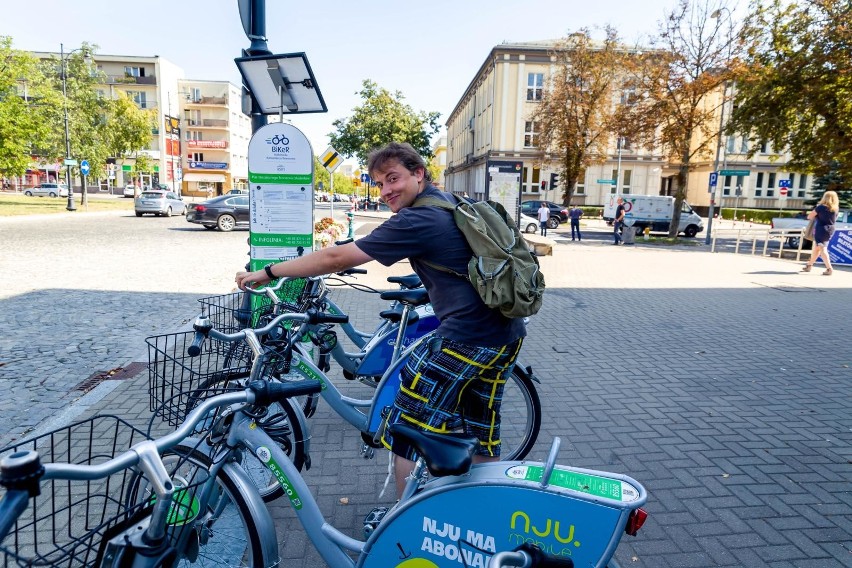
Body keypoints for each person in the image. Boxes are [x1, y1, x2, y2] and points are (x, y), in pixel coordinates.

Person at [235, 142, 526, 496]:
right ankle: (483, 503)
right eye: (379, 183)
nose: (386, 190)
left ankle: (403, 521)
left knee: (405, 424)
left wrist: (269, 271)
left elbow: (334, 258)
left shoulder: (419, 218)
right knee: (481, 426)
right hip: (505, 334)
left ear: (418, 173)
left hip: (466, 338)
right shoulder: (449, 203)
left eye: (393, 179)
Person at [802, 190, 839, 276]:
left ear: (825, 198)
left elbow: (809, 216)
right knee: (817, 248)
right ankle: (809, 265)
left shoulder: (821, 207)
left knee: (822, 248)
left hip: (820, 229)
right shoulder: (836, 208)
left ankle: (829, 268)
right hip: (830, 229)